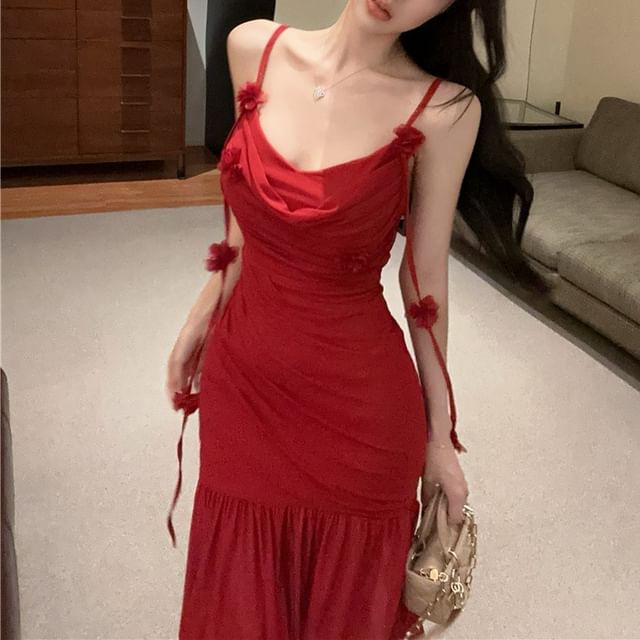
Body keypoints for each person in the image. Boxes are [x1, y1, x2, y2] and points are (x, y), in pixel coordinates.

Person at [166, 1, 549, 638]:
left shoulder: (444, 109)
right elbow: (243, 226)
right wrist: (198, 320)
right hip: (245, 385)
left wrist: (440, 437)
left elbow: (424, 280)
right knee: (240, 594)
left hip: (359, 413)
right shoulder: (251, 48)